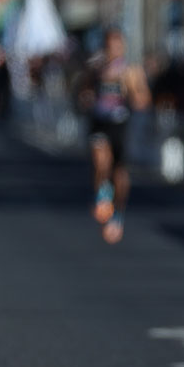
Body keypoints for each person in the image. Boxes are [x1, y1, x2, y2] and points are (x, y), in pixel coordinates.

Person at [77, 27, 151, 244]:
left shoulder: (131, 71)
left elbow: (143, 101)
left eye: (116, 45)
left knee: (119, 171)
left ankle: (118, 213)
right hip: (100, 121)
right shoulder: (97, 68)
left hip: (121, 123)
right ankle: (102, 193)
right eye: (109, 45)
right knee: (100, 158)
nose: (112, 49)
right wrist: (86, 97)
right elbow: (83, 92)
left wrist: (131, 92)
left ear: (123, 46)